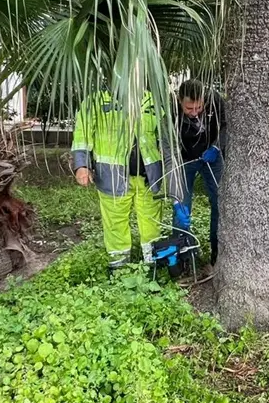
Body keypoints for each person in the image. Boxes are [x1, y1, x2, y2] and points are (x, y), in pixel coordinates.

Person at [72, 86, 186, 270]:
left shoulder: (152, 101)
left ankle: (152, 259)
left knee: (151, 219)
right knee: (115, 219)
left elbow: (166, 139)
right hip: (112, 176)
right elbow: (82, 135)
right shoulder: (97, 101)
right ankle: (119, 264)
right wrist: (81, 165)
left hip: (149, 175)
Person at [173, 79, 226, 263]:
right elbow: (167, 149)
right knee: (182, 206)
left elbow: (227, 126)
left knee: (221, 201)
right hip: (184, 159)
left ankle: (218, 253)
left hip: (212, 156)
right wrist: (175, 198)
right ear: (179, 100)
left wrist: (217, 147)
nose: (194, 113)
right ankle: (184, 257)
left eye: (199, 108)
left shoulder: (215, 100)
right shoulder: (170, 110)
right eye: (189, 109)